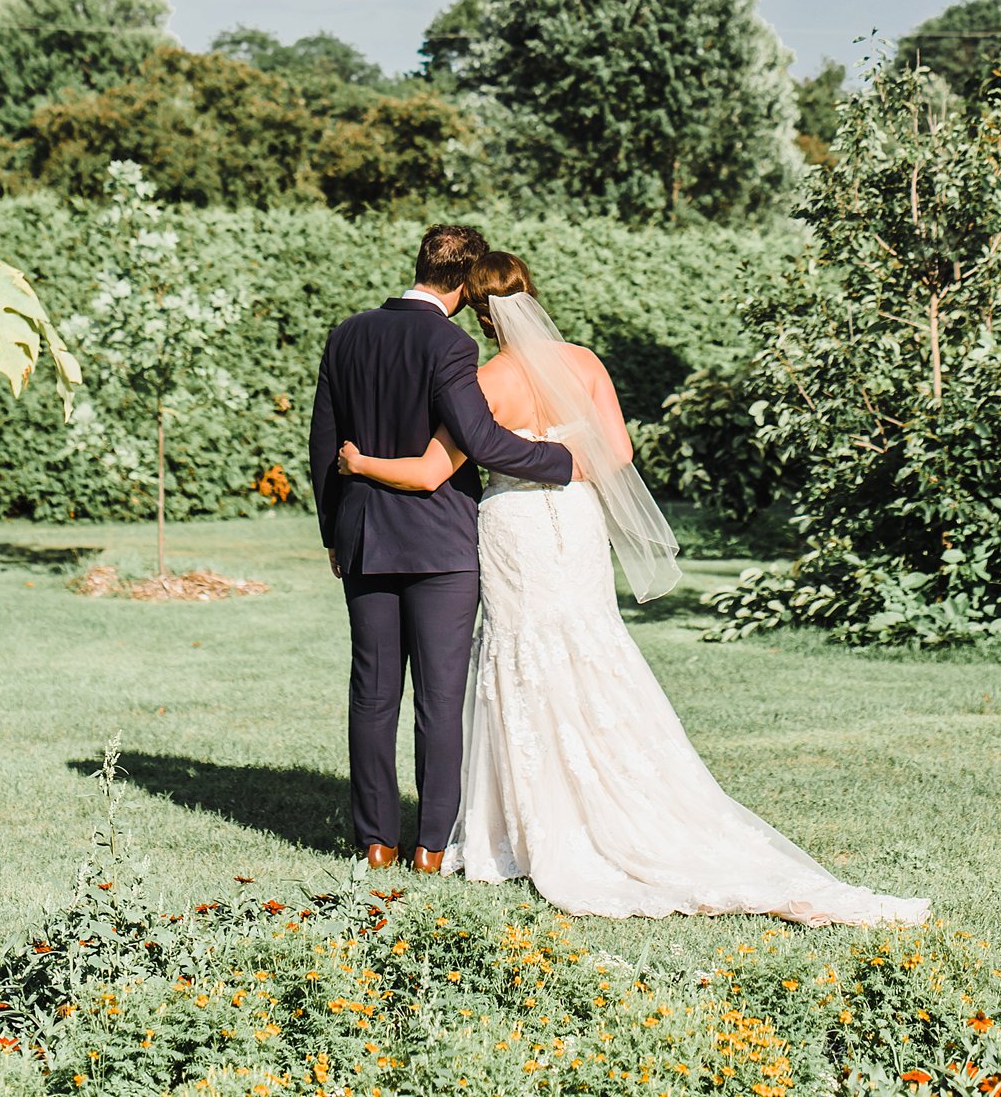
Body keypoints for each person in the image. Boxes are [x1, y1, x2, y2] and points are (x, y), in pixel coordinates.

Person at [339, 248, 929, 927]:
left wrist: (359, 460)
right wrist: (566, 464)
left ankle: (524, 821)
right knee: (590, 644)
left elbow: (429, 470)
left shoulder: (485, 381)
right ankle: (623, 796)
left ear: (478, 310)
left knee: (519, 654)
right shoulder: (584, 362)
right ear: (533, 294)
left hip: (515, 524)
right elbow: (616, 455)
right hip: (579, 520)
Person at [308, 224, 576, 872]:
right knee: (438, 698)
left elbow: (322, 442)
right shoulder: (448, 342)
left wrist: (333, 532)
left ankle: (376, 841)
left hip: (365, 537)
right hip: (440, 547)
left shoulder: (347, 334)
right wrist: (560, 458)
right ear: (463, 282)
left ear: (421, 263)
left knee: (372, 693)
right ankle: (430, 845)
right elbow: (479, 439)